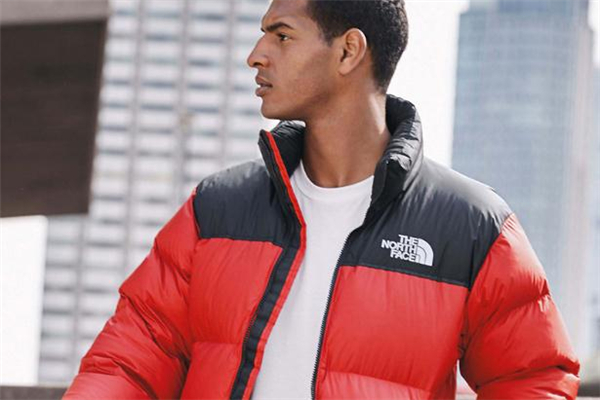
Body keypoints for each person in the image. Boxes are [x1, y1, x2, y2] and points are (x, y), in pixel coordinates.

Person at [63, 0, 580, 399]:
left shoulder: (470, 225)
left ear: (348, 51)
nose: (256, 54)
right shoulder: (216, 209)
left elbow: (533, 378)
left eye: (282, 35)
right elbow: (127, 363)